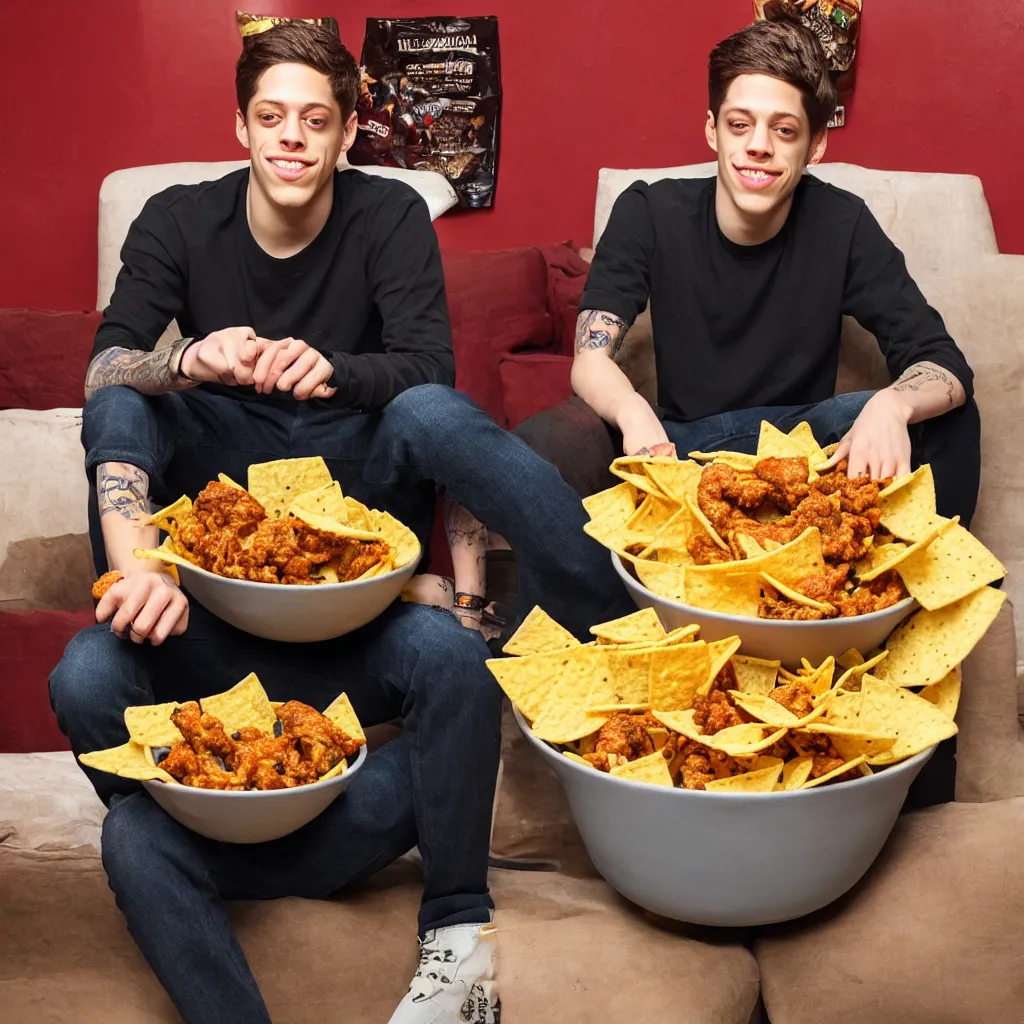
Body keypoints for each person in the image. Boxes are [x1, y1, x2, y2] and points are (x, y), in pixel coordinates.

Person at [49, 21, 631, 1024]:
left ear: (349, 131)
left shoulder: (386, 217)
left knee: (435, 519)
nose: (291, 138)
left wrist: (333, 370)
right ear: (238, 124)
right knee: (92, 690)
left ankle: (617, 641)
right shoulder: (175, 220)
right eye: (270, 116)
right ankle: (210, 796)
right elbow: (106, 371)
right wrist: (188, 362)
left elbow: (425, 374)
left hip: (350, 538)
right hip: (215, 602)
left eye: (316, 119)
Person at [516, 14, 979, 806]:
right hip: (683, 461)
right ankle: (590, 690)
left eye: (783, 129)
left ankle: (901, 666)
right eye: (741, 124)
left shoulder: (841, 224)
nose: (759, 145)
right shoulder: (651, 211)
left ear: (815, 145)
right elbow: (592, 355)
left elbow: (944, 363)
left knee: (949, 417)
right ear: (711, 130)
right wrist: (636, 421)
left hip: (800, 466)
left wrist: (889, 412)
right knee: (543, 444)